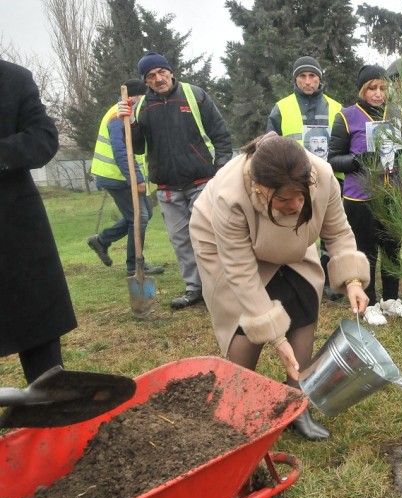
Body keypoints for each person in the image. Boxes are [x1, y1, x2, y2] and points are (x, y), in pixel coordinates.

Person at [190, 133, 369, 440]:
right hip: (225, 248)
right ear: (260, 188)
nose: (296, 205)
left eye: (301, 197)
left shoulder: (322, 176)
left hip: (290, 243)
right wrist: (275, 336)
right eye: (285, 199)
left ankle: (297, 403)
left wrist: (353, 280)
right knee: (244, 320)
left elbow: (337, 232)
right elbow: (241, 272)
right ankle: (239, 406)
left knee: (302, 296)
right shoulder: (229, 194)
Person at [118, 52, 233, 309]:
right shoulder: (141, 108)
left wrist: (221, 168)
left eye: (161, 72)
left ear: (170, 71)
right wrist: (129, 122)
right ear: (146, 81)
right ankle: (195, 289)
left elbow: (220, 134)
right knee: (181, 240)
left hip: (202, 180)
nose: (158, 79)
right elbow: (136, 147)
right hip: (167, 186)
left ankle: (220, 288)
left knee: (210, 236)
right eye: (151, 76)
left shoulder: (195, 95)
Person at [0, 60, 76, 383]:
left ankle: (54, 418)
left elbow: (44, 138)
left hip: (15, 226)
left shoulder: (14, 79)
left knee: (38, 335)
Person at [329, 65, 402, 326]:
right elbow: (332, 159)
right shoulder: (346, 116)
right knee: (366, 252)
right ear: (362, 90)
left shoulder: (397, 114)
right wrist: (357, 160)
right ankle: (370, 303)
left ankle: (390, 299)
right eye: (372, 89)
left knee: (392, 249)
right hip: (360, 197)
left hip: (393, 193)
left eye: (382, 89)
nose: (378, 94)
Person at [267, 56, 345, 300]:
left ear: (320, 79)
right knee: (296, 229)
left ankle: (332, 281)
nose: (308, 81)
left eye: (313, 76)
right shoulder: (281, 107)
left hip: (330, 179)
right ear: (295, 79)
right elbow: (270, 143)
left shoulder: (336, 107)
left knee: (330, 229)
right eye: (302, 76)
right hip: (294, 181)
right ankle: (300, 279)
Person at [87, 79, 167, 278]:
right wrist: (136, 179)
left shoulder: (127, 113)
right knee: (139, 218)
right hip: (116, 176)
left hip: (120, 176)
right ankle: (134, 265)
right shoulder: (118, 115)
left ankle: (102, 240)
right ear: (133, 97)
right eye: (143, 97)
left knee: (144, 213)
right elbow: (120, 151)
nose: (146, 101)